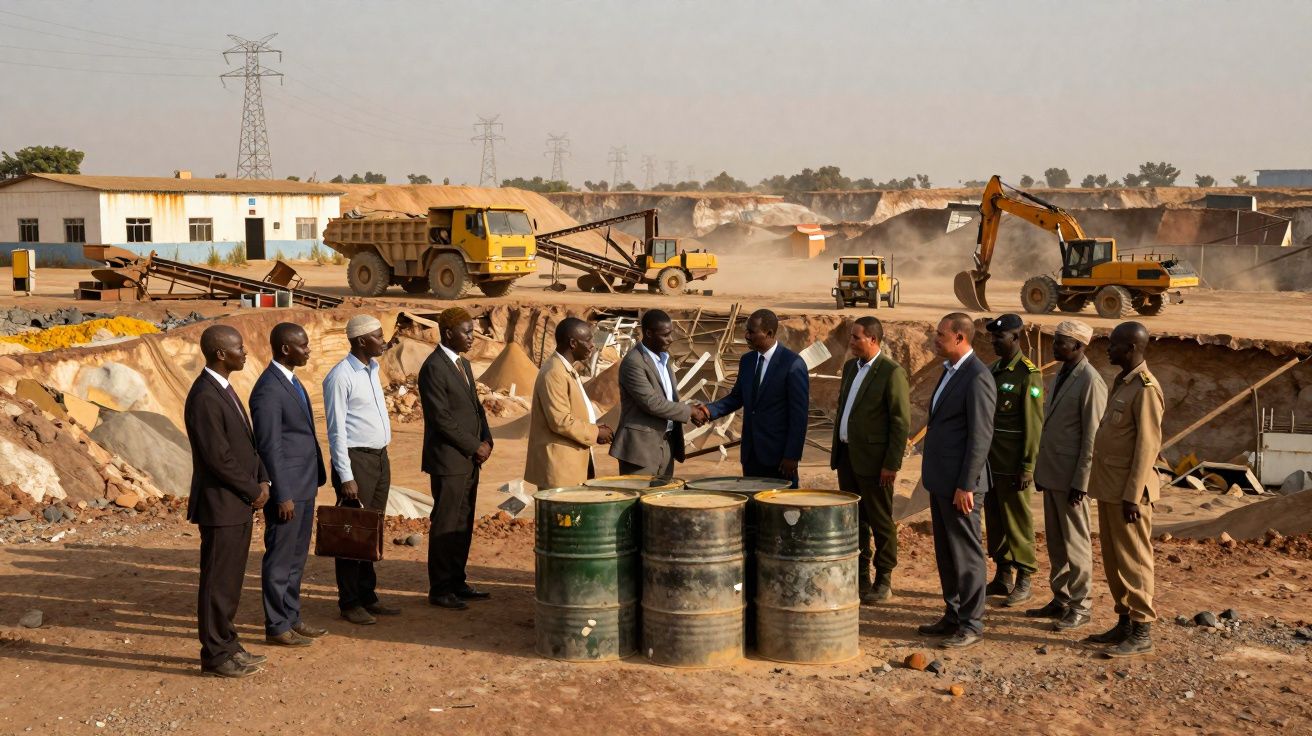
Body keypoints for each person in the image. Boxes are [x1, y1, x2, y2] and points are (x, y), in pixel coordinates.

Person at [184, 324, 269, 678]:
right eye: (239, 347)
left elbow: (247, 446)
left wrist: (262, 479)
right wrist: (253, 490)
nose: (245, 352)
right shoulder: (204, 396)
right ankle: (215, 655)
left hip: (237, 504)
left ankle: (229, 645)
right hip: (221, 505)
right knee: (217, 583)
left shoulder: (224, 389)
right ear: (221, 353)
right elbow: (218, 458)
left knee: (230, 582)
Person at [1084, 321, 1164, 657]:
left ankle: (1142, 629)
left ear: (1131, 348)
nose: (1108, 348)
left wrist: (1133, 495)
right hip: (1109, 487)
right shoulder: (1123, 382)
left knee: (1135, 560)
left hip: (1129, 494)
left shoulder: (1145, 389)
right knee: (1114, 559)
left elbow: (1147, 446)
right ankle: (1125, 622)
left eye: (1114, 344)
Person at [917, 313, 995, 649]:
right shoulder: (950, 371)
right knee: (947, 553)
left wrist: (966, 484)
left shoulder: (977, 377)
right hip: (941, 481)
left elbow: (980, 437)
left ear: (960, 337)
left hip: (962, 486)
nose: (935, 340)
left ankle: (971, 624)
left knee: (966, 555)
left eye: (941, 334)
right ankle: (953, 615)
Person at [250, 322, 328, 648]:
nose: (308, 350)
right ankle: (276, 625)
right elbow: (270, 447)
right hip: (288, 491)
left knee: (297, 558)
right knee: (280, 559)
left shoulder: (291, 381)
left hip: (304, 484)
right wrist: (282, 494)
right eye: (303, 345)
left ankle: (292, 617)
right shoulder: (268, 389)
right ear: (285, 348)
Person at [1026, 320, 1106, 632]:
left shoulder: (1090, 381)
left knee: (1076, 544)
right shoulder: (1061, 373)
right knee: (1057, 543)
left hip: (1072, 480)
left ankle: (1081, 606)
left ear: (1079, 346)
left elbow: (1092, 438)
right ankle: (1060, 599)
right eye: (1055, 340)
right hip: (1052, 474)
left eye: (1061, 342)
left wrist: (1081, 483)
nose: (1054, 346)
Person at [323, 314, 398, 626]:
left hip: (379, 459)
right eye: (378, 336)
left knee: (371, 530)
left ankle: (368, 595)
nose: (383, 341)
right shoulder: (340, 376)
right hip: (356, 462)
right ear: (361, 341)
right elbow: (336, 431)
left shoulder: (373, 369)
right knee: (351, 532)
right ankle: (350, 602)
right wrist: (346, 476)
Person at [829, 316, 910, 603]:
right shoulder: (851, 368)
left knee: (880, 521)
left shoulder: (891, 372)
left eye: (856, 337)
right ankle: (860, 576)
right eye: (851, 337)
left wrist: (891, 464)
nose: (850, 342)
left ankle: (883, 579)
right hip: (848, 457)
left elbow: (900, 422)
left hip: (875, 463)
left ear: (872, 339)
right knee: (855, 521)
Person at [419, 307, 494, 610]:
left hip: (469, 458)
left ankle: (457, 581)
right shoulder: (433, 368)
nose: (472, 337)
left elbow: (476, 407)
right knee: (446, 523)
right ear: (449, 333)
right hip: (449, 460)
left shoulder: (463, 364)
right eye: (467, 332)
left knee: (463, 522)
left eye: (473, 331)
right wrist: (474, 445)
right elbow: (441, 418)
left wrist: (487, 439)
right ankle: (440, 588)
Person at [701, 309, 809, 487]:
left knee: (780, 504)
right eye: (747, 330)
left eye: (751, 332)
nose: (746, 336)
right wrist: (707, 411)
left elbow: (799, 416)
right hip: (751, 456)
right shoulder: (747, 361)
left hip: (779, 458)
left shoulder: (792, 364)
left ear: (769, 333)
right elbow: (736, 398)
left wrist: (792, 455)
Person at [982, 314, 1044, 607]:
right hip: (990, 463)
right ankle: (1003, 575)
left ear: (1016, 338)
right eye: (993, 337)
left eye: (1000, 337)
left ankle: (1024, 578)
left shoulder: (1028, 374)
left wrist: (1028, 466)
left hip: (1013, 465)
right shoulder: (993, 370)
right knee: (995, 521)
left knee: (1017, 522)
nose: (994, 342)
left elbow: (1033, 425)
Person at [525, 317, 613, 489]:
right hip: (560, 468)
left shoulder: (566, 369)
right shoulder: (554, 373)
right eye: (588, 340)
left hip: (571, 463)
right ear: (573, 343)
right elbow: (560, 421)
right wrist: (595, 432)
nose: (592, 346)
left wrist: (594, 427)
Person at [609, 309, 695, 477]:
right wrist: (690, 411)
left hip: (666, 445)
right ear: (648, 333)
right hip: (640, 451)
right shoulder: (634, 362)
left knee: (664, 493)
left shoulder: (663, 359)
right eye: (665, 335)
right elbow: (652, 403)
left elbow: (669, 398)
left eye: (670, 334)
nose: (670, 339)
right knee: (638, 493)